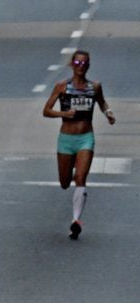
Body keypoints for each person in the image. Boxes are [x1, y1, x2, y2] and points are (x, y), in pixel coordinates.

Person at [43, 50, 115, 240]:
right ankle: (72, 179)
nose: (81, 66)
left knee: (81, 177)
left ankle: (76, 221)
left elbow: (102, 103)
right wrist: (64, 114)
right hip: (66, 139)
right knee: (65, 182)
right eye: (77, 62)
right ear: (72, 64)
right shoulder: (62, 87)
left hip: (86, 138)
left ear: (89, 65)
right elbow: (46, 110)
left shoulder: (95, 87)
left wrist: (108, 113)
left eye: (84, 63)